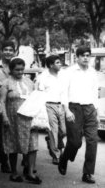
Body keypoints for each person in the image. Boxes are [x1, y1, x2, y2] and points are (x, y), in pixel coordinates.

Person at [58, 46, 99, 184]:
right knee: (75, 142)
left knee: (93, 141)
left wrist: (96, 110)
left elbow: (95, 92)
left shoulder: (93, 72)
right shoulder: (68, 72)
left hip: (90, 109)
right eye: (83, 55)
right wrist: (67, 110)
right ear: (77, 57)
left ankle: (87, 173)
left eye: (88, 55)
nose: (86, 57)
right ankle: (64, 157)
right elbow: (63, 92)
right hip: (74, 108)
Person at [0, 58, 41, 184]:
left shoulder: (29, 82)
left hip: (29, 119)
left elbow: (35, 99)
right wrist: (4, 117)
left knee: (33, 146)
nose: (20, 72)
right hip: (13, 119)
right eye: (17, 69)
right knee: (13, 145)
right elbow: (1, 101)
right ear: (11, 70)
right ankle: (14, 173)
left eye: (22, 69)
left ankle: (30, 172)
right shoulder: (6, 83)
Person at [36, 55, 66, 165]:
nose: (60, 64)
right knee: (54, 131)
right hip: (49, 106)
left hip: (61, 105)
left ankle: (51, 141)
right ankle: (56, 155)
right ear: (51, 65)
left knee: (63, 131)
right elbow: (39, 93)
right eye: (58, 62)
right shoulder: (43, 77)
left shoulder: (63, 76)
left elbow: (65, 92)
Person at [0, 41, 15, 173]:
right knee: (0, 133)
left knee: (13, 132)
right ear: (1, 51)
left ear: (14, 52)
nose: (8, 52)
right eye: (5, 49)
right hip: (0, 104)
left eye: (10, 50)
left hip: (14, 104)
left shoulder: (16, 66)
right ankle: (3, 160)